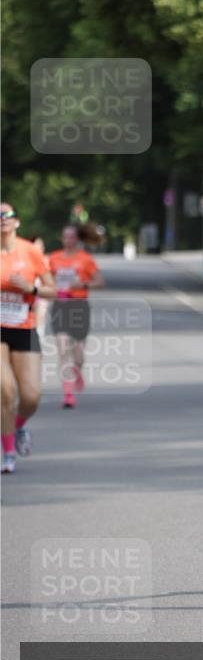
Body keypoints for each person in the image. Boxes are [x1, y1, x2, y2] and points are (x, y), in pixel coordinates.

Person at [1, 203, 56, 474]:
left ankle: (19, 426)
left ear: (17, 222)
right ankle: (8, 452)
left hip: (25, 327)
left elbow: (52, 290)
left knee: (32, 396)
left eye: (7, 215)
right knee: (5, 389)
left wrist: (31, 288)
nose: (2, 219)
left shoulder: (30, 251)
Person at [48, 224, 104, 408]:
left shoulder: (85, 259)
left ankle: (77, 370)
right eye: (65, 237)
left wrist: (83, 284)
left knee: (78, 354)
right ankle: (68, 393)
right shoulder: (53, 258)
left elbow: (99, 282)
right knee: (63, 348)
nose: (68, 240)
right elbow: (45, 280)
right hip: (60, 306)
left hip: (79, 306)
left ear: (77, 239)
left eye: (71, 237)